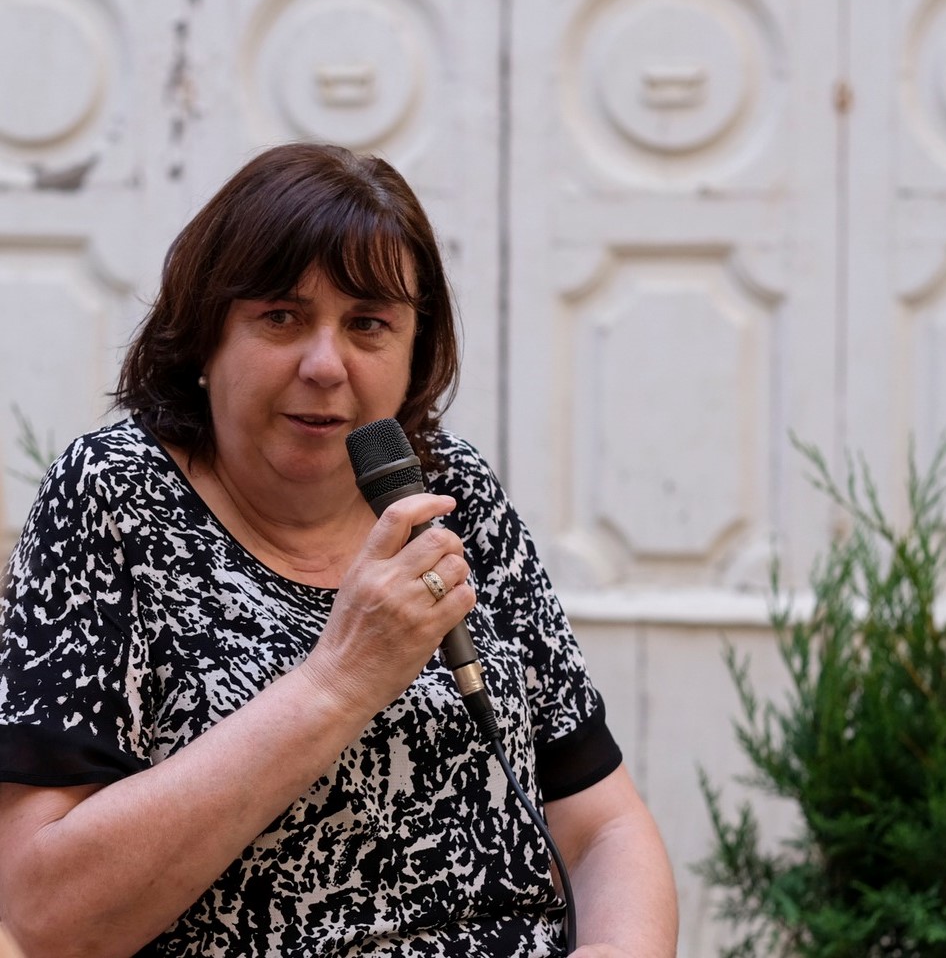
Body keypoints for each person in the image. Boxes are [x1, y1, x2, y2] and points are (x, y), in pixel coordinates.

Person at [0, 143, 678, 957]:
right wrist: (339, 681)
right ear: (206, 338)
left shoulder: (448, 492)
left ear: (415, 352)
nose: (325, 365)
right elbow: (47, 915)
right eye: (281, 317)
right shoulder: (116, 496)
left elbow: (601, 824)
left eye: (367, 324)